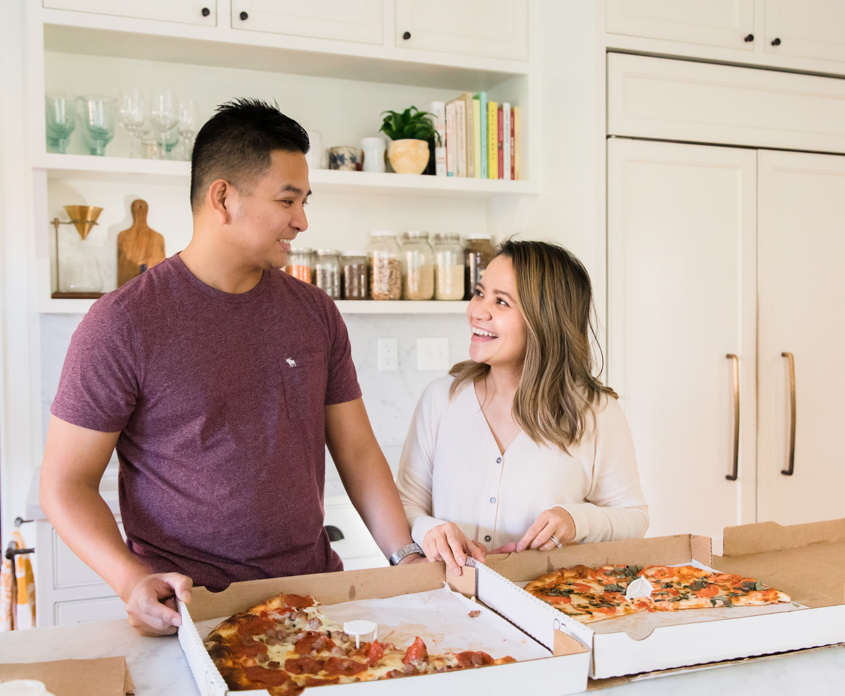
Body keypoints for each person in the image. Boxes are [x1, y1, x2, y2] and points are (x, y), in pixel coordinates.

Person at [40, 99, 424, 637]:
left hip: (314, 599)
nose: (302, 220)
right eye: (287, 200)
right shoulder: (122, 323)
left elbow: (356, 449)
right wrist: (130, 579)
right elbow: (64, 484)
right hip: (191, 614)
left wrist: (405, 553)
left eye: (304, 200)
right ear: (223, 197)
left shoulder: (315, 312)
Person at [397, 239, 648, 571]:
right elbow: (405, 505)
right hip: (449, 604)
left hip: (548, 605)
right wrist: (429, 530)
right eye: (480, 292)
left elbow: (635, 519)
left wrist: (576, 520)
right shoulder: (441, 398)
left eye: (501, 302)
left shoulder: (595, 412)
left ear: (546, 320)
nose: (478, 310)